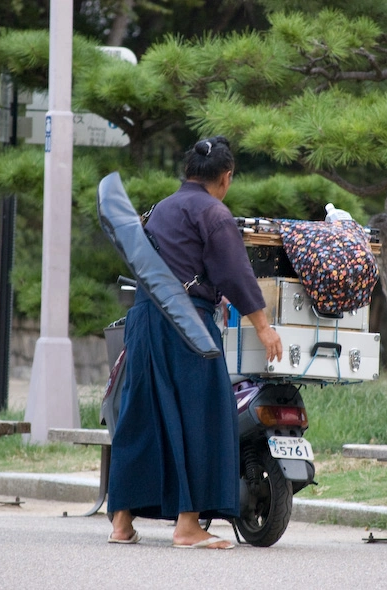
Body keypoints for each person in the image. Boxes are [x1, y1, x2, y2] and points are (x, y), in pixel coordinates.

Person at [107, 136, 282, 550]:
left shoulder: (160, 209)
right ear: (225, 177)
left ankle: (121, 521)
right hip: (187, 325)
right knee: (203, 417)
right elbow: (235, 274)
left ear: (188, 172)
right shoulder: (213, 213)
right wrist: (263, 326)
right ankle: (187, 526)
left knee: (141, 416)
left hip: (144, 319)